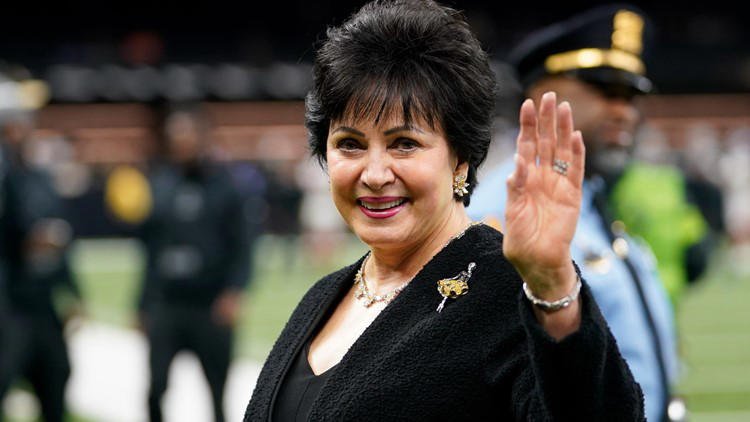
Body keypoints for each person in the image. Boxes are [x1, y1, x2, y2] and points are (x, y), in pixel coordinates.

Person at [244, 1, 643, 420]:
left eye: (404, 144)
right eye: (350, 144)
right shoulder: (322, 296)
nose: (374, 174)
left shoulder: (508, 290)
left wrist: (553, 286)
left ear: (460, 159)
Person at [467, 4, 684, 421]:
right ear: (540, 97)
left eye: (632, 97)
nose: (624, 111)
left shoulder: (593, 198)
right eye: (604, 89)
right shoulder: (500, 213)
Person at [105, 103, 252, 422]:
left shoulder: (227, 186)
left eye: (187, 136)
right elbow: (150, 249)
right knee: (156, 387)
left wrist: (235, 291)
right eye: (175, 138)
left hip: (209, 304)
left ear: (203, 137)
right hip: (167, 304)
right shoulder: (159, 184)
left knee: (217, 391)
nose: (181, 144)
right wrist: (141, 304)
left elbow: (243, 244)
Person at [0, 107, 82, 422]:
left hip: (43, 303)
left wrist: (72, 292)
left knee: (56, 375)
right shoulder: (7, 179)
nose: (17, 137)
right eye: (10, 130)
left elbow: (62, 239)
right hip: (9, 304)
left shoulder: (41, 180)